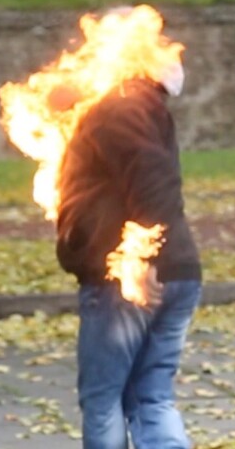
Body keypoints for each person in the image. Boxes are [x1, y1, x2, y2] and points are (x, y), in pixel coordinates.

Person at [55, 64, 202, 446]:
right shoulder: (146, 109)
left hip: (127, 275)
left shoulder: (121, 105)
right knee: (152, 396)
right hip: (177, 270)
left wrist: (143, 259)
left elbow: (153, 182)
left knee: (103, 398)